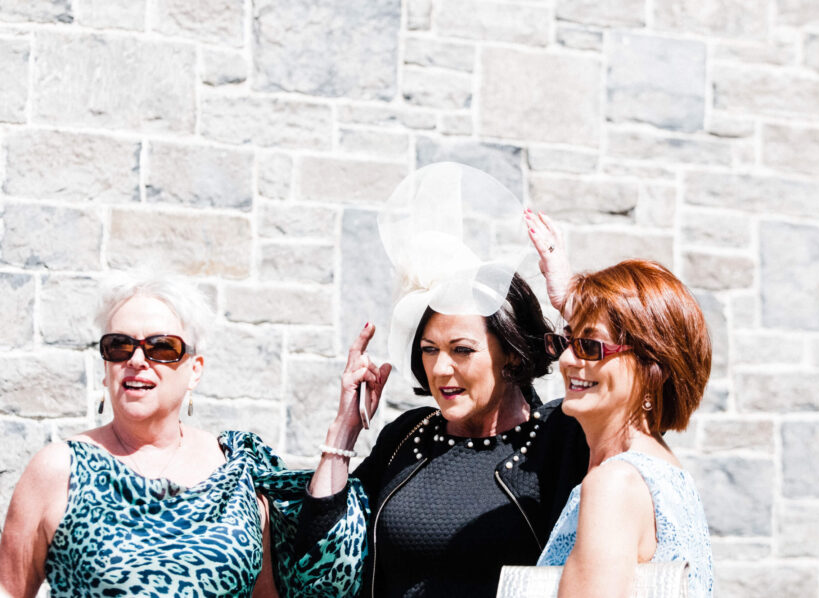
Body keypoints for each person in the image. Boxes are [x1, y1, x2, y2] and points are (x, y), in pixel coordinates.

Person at [299, 163, 589, 598]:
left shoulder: (560, 436)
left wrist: (570, 302)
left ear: (511, 354)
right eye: (430, 349)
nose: (440, 369)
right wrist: (343, 433)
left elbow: (644, 379)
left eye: (462, 350)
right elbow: (319, 562)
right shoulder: (407, 434)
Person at [0, 273, 371, 598]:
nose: (136, 360)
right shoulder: (57, 470)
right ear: (106, 366)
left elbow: (281, 586)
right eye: (119, 346)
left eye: (162, 348)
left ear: (195, 370)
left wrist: (343, 430)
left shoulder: (237, 471)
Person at [525, 210, 714, 597]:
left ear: (652, 369)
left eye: (590, 347)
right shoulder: (666, 476)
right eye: (567, 341)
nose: (567, 360)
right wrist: (569, 300)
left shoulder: (614, 486)